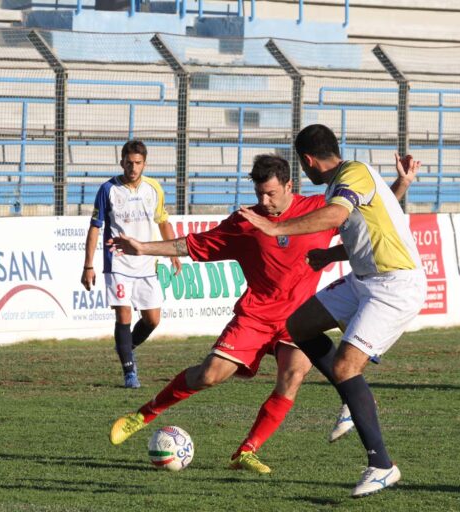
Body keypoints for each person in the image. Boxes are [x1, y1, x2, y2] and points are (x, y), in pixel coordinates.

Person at [107, 152, 419, 474]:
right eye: (259, 194)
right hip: (256, 316)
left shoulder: (317, 210)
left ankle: (247, 451)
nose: (265, 201)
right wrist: (144, 248)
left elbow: (368, 210)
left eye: (270, 193)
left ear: (288, 185)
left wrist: (402, 183)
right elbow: (193, 244)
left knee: (292, 376)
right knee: (208, 375)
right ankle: (142, 415)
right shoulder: (246, 222)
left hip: (300, 318)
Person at [238, 124, 427, 498]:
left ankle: (382, 465)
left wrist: (276, 229)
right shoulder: (350, 177)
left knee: (345, 366)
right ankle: (349, 397)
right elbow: (369, 227)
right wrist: (330, 254)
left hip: (394, 284)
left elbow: (338, 216)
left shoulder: (351, 174)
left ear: (307, 161)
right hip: (364, 278)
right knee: (300, 325)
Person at [81, 139, 182, 389]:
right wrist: (88, 266)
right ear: (121, 162)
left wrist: (174, 253)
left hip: (147, 262)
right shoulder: (108, 189)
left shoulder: (154, 188)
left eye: (137, 163)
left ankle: (126, 346)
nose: (133, 167)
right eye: (129, 163)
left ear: (144, 163)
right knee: (123, 313)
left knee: (152, 320)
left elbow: (163, 222)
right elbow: (95, 228)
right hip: (118, 262)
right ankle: (129, 373)